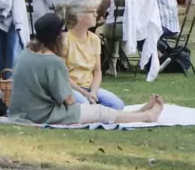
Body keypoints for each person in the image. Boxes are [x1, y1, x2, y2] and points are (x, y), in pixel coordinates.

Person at [9, 13, 163, 125]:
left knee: (102, 108)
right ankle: (146, 117)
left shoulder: (25, 53)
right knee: (98, 111)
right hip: (44, 115)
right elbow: (68, 101)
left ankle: (137, 114)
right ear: (57, 37)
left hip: (22, 111)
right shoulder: (53, 62)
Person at [56, 0, 125, 110]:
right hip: (71, 87)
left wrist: (93, 91)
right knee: (87, 106)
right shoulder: (64, 40)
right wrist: (84, 93)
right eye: (91, 12)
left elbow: (97, 71)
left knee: (118, 105)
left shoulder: (95, 39)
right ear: (79, 16)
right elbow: (63, 76)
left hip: (90, 87)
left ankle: (91, 109)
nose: (96, 14)